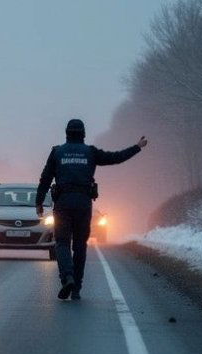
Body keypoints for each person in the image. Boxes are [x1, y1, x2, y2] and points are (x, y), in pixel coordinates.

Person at [36, 119, 147, 300]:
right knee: (80, 246)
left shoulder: (57, 152)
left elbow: (45, 179)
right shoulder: (90, 153)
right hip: (83, 205)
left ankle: (67, 277)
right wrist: (137, 146)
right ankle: (77, 288)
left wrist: (39, 202)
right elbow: (115, 158)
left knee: (62, 243)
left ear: (66, 133)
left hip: (63, 204)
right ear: (83, 134)